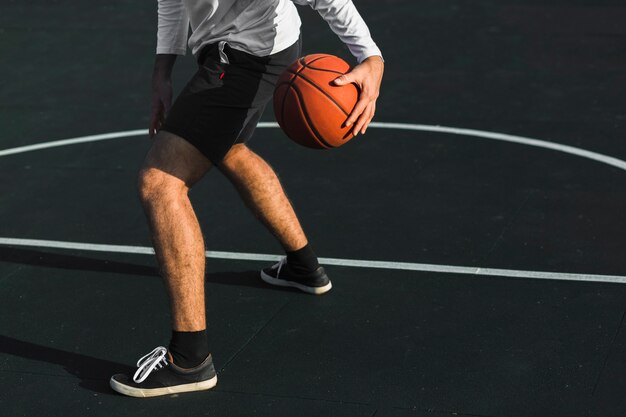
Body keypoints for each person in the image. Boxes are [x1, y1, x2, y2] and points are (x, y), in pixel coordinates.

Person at [110, 0, 383, 398]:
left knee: (160, 182)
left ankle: (189, 360)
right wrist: (162, 71)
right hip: (237, 48)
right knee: (228, 146)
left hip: (249, 55)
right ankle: (303, 267)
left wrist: (370, 55)